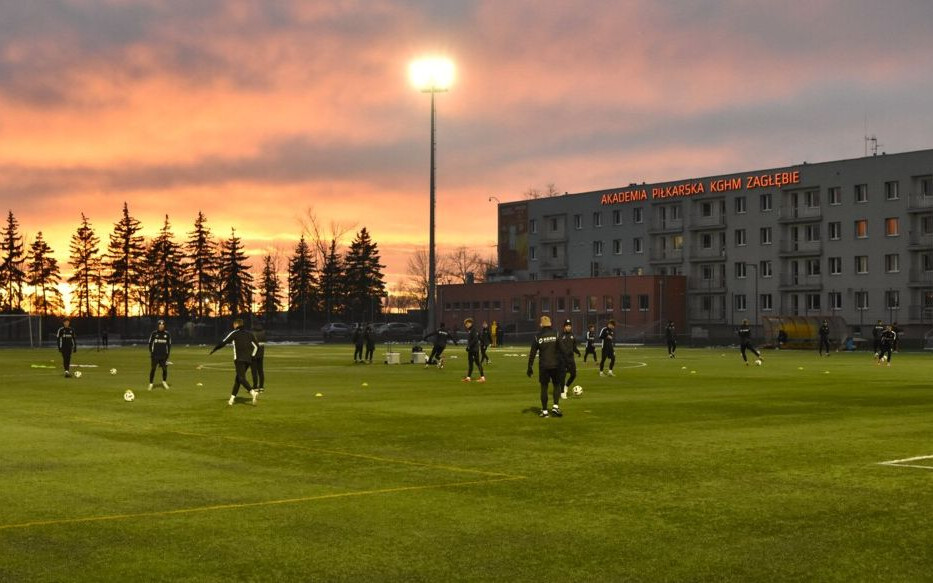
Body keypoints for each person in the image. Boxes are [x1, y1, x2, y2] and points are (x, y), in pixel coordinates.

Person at [209, 318, 259, 406]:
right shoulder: (250, 334)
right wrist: (252, 356)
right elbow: (256, 346)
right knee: (238, 379)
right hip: (248, 360)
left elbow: (223, 342)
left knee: (241, 378)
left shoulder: (234, 333)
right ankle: (231, 399)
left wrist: (214, 349)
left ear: (236, 325)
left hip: (239, 359)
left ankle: (252, 392)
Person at [527, 315, 563, 418]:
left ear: (541, 324)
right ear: (550, 323)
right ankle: (555, 407)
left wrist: (529, 367)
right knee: (556, 385)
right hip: (555, 364)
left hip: (544, 366)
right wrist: (567, 363)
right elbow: (563, 349)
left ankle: (545, 411)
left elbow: (532, 353)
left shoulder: (537, 336)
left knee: (544, 387)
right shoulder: (556, 333)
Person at [557, 319, 581, 399]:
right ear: (564, 327)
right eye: (567, 326)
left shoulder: (572, 335)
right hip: (563, 359)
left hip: (571, 359)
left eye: (569, 326)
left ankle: (566, 386)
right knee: (563, 376)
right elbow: (558, 347)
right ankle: (562, 392)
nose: (568, 327)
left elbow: (574, 347)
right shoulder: (560, 335)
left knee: (573, 374)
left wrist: (577, 352)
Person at [147, 320, 171, 390]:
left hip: (163, 356)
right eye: (160, 325)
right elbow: (150, 343)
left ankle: (164, 382)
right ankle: (151, 384)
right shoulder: (154, 333)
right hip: (155, 355)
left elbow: (169, 346)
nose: (161, 326)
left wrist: (167, 355)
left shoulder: (167, 334)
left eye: (162, 325)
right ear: (158, 326)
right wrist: (151, 352)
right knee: (153, 369)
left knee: (164, 369)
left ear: (164, 326)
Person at [462, 318, 486, 383]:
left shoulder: (473, 330)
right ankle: (468, 378)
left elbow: (475, 339)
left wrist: (469, 346)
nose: (466, 325)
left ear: (470, 323)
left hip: (474, 349)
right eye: (465, 324)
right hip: (471, 349)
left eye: (467, 324)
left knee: (477, 363)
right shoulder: (470, 330)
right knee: (470, 364)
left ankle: (483, 378)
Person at [251, 323, 266, 392]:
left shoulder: (253, 333)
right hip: (261, 354)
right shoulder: (263, 333)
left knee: (254, 371)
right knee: (260, 371)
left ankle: (255, 387)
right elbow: (264, 342)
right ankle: (261, 387)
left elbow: (251, 344)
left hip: (254, 354)